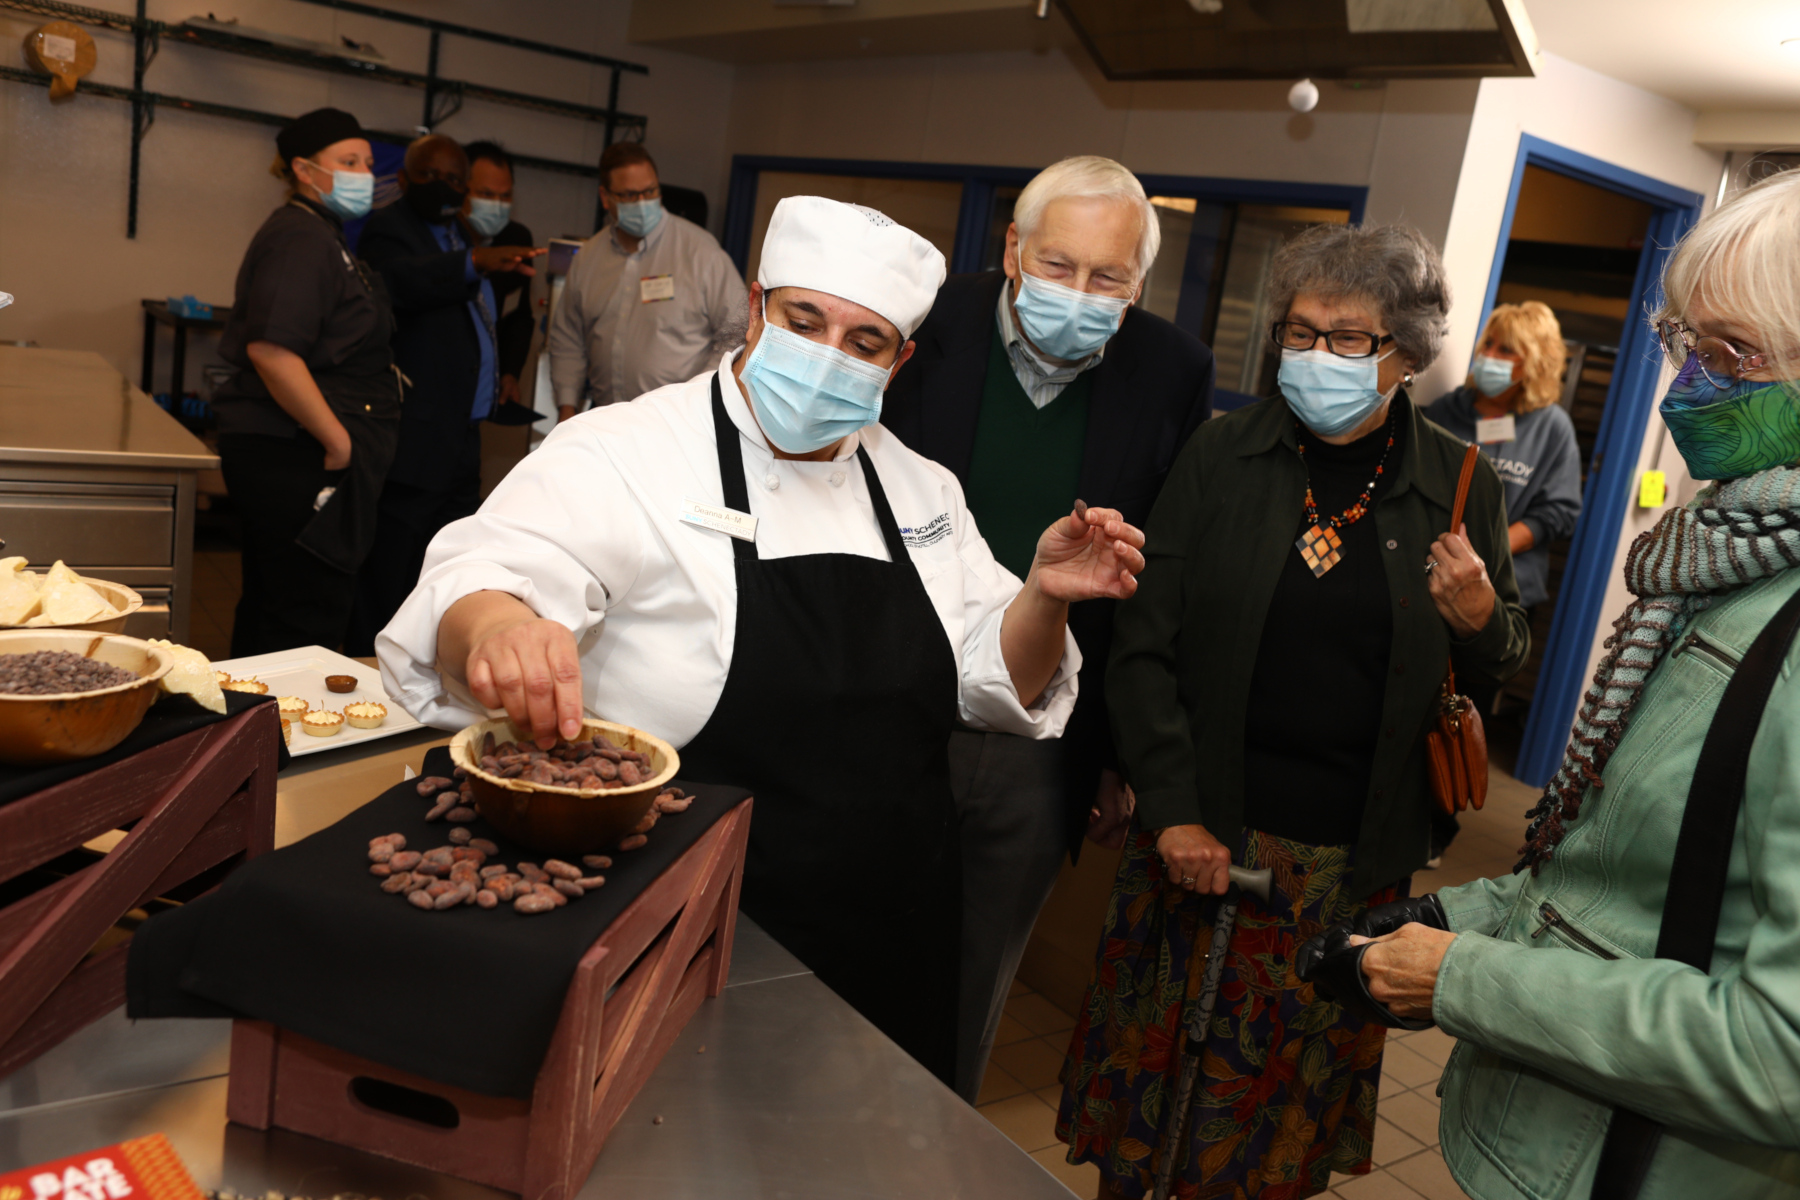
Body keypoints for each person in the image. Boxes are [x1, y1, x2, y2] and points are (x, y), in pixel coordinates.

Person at [378, 196, 1147, 1086]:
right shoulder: (625, 450)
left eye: (864, 342)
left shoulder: (922, 491)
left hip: (890, 929)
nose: (827, 355)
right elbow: (484, 573)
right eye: (803, 319)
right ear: (755, 307)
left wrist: (1045, 599)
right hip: (681, 923)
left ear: (897, 364)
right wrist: (505, 624)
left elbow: (992, 683)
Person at [1328, 168, 1800, 1200]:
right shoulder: (1716, 570)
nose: (1685, 388)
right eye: (1684, 345)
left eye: (1730, 354)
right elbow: (1626, 880)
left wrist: (1466, 979)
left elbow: (1779, 1057)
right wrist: (1468, 922)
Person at [1055, 223, 1529, 1198]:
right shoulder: (1223, 455)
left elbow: (1497, 660)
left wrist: (1482, 624)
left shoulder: (1457, 485)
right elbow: (1145, 647)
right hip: (1201, 842)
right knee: (1151, 1112)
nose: (1315, 356)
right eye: (1300, 332)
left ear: (1404, 352)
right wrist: (1173, 806)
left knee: (1271, 1129)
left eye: (1347, 338)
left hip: (1347, 869)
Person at [882, 155, 1214, 1102]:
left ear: (1137, 284)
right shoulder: (923, 325)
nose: (1080, 292)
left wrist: (1115, 753)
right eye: (1059, 264)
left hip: (1041, 732)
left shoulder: (1172, 371)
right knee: (843, 945)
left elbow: (1158, 577)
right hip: (888, 698)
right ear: (1015, 249)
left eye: (1107, 277)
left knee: (971, 983)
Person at [211, 107, 401, 656]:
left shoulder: (326, 234)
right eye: (347, 162)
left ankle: (256, 732)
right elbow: (272, 350)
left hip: (304, 449)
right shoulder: (299, 236)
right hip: (293, 453)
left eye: (367, 162)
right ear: (303, 168)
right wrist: (338, 441)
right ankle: (280, 735)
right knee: (298, 617)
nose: (363, 173)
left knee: (283, 606)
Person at [345, 134, 543, 655]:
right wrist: (475, 263)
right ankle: (371, 667)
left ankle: (428, 666)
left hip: (462, 433)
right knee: (392, 567)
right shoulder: (391, 229)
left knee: (448, 566)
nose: (446, 189)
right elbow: (400, 282)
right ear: (405, 179)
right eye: (432, 177)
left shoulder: (459, 231)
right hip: (414, 436)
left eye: (455, 180)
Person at [546, 142, 746, 420]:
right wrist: (566, 408)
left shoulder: (701, 253)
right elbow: (568, 338)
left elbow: (737, 334)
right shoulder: (588, 258)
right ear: (606, 198)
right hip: (605, 419)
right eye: (629, 195)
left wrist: (697, 399)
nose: (642, 202)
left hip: (677, 423)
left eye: (650, 191)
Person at [461, 140, 539, 417]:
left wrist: (509, 372)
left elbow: (520, 315)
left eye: (505, 197)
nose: (496, 205)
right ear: (461, 189)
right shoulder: (442, 241)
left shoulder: (517, 240)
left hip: (487, 393)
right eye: (486, 194)